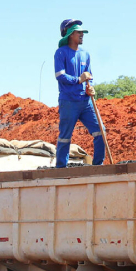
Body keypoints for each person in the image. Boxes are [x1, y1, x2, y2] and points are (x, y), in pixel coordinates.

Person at [54, 19, 105, 168]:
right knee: (65, 137)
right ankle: (61, 169)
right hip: (68, 101)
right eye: (79, 32)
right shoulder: (61, 53)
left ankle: (98, 166)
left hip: (85, 101)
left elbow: (89, 76)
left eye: (82, 32)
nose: (82, 35)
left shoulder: (85, 54)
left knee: (101, 131)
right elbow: (59, 75)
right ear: (70, 34)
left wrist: (91, 88)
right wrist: (78, 80)